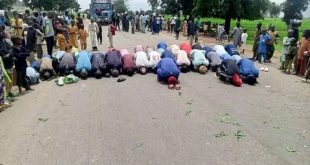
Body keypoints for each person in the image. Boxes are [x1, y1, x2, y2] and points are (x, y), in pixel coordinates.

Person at [0, 27, 13, 99]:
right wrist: (4, 56)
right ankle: (5, 95)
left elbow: (11, 48)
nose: (2, 33)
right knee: (4, 79)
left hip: (8, 62)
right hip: (2, 63)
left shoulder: (6, 41)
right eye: (0, 32)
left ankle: (9, 92)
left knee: (10, 77)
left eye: (2, 31)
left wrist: (9, 54)